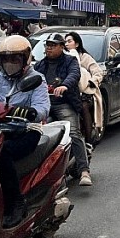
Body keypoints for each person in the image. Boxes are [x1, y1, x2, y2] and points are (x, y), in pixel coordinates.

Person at [0, 35, 49, 227]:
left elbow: (43, 108)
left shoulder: (36, 79)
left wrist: (30, 112)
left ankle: (15, 203)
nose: (9, 63)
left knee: (1, 154)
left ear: (25, 59)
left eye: (15, 59)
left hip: (26, 130)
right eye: (6, 59)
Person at [33, 34, 90, 187]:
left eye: (53, 45)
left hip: (64, 103)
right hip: (43, 105)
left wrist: (65, 85)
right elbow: (31, 79)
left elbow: (74, 74)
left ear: (62, 47)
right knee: (33, 132)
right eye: (47, 45)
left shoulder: (70, 61)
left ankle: (84, 171)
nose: (49, 48)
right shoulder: (39, 65)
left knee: (73, 133)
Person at [63, 31, 105, 147]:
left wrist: (91, 82)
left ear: (77, 44)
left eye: (69, 41)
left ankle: (88, 140)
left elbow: (98, 72)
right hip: (68, 91)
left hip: (85, 92)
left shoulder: (85, 57)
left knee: (83, 107)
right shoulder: (63, 57)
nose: (66, 44)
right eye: (65, 42)